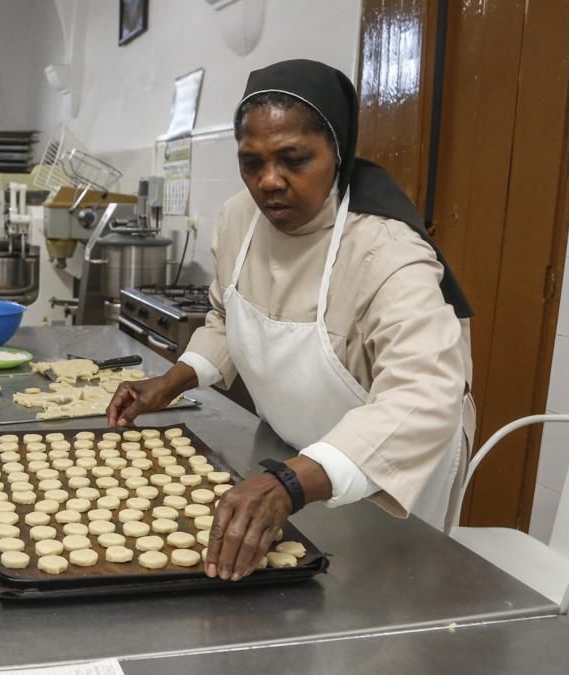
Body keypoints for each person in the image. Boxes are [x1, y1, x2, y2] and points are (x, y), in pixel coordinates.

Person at [107, 59, 476, 581]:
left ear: (337, 154)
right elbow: (226, 315)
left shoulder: (383, 252)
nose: (269, 181)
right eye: (251, 163)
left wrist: (294, 482)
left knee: (369, 617)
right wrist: (172, 381)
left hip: (383, 470)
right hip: (290, 456)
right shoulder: (240, 219)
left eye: (293, 159)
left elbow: (425, 394)